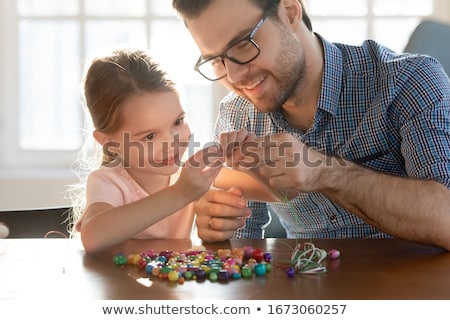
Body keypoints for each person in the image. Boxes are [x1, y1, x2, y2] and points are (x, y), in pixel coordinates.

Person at [172, 0, 450, 250]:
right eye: (216, 60)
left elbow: (445, 219)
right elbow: (243, 249)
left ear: (290, 12)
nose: (234, 76)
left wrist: (324, 172)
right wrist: (218, 226)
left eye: (244, 44)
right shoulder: (238, 114)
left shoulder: (409, 81)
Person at [70, 48, 279, 253]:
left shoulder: (190, 176)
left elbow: (281, 193)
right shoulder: (108, 183)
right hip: (122, 287)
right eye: (150, 136)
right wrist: (180, 194)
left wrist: (251, 162)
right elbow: (93, 237)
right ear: (110, 143)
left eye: (178, 121)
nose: (172, 142)